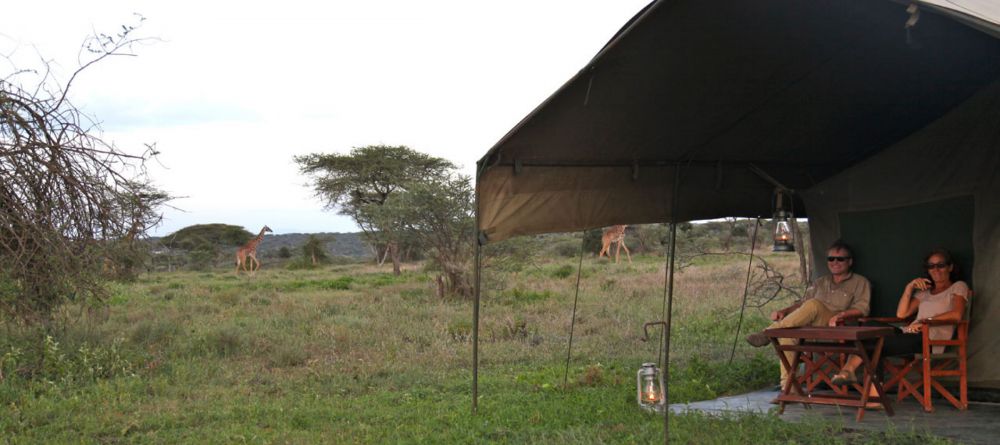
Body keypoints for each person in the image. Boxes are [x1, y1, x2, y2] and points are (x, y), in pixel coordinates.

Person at [830, 248, 969, 386]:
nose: (935, 269)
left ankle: (850, 373)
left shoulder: (958, 286)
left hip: (929, 340)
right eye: (931, 266)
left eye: (940, 265)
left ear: (950, 267)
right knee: (871, 328)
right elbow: (902, 314)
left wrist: (924, 323)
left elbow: (957, 314)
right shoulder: (925, 292)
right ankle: (861, 382)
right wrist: (909, 287)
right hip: (908, 334)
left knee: (873, 341)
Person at [744, 240, 871, 389]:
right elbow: (803, 305)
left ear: (850, 261)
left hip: (837, 329)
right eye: (831, 259)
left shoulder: (860, 282)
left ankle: (768, 333)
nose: (835, 262)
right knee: (786, 337)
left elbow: (862, 309)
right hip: (812, 329)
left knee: (813, 304)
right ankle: (789, 388)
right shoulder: (820, 282)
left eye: (840, 259)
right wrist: (784, 311)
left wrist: (841, 315)